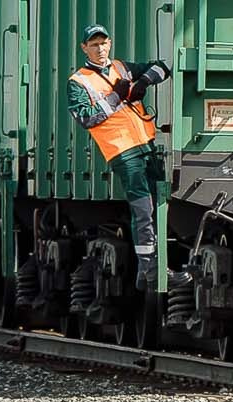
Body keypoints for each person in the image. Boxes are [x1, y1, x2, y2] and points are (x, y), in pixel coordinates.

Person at [65, 23, 176, 312]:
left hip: (146, 145)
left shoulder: (121, 68)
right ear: (84, 48)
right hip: (121, 151)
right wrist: (116, 97)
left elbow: (164, 66)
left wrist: (143, 83)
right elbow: (86, 118)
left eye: (103, 43)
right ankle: (150, 270)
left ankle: (148, 270)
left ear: (110, 43)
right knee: (143, 210)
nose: (99, 48)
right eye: (93, 44)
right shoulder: (78, 81)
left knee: (159, 206)